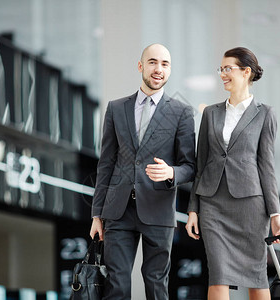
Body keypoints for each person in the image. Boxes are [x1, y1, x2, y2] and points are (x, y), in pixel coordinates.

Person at [90, 43, 195, 300]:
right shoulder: (116, 108)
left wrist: (171, 172)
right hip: (118, 210)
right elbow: (106, 162)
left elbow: (190, 167)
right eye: (152, 62)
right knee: (116, 284)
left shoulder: (182, 112)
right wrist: (96, 214)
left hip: (158, 209)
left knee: (156, 284)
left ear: (169, 70)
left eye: (165, 64)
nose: (158, 69)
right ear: (141, 66)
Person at [185, 47, 280, 300]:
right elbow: (202, 163)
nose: (223, 74)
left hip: (250, 207)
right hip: (213, 205)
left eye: (228, 68)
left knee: (257, 277)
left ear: (246, 72)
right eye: (221, 69)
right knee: (218, 274)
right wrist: (192, 210)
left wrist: (275, 214)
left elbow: (267, 165)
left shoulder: (265, 114)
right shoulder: (211, 112)